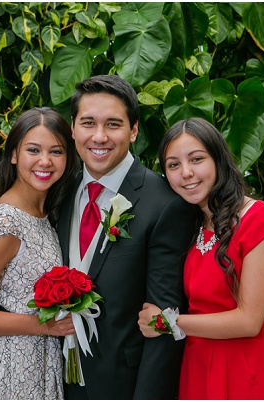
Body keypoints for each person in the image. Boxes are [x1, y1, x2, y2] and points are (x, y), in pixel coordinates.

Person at [55, 75, 196, 399]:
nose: (99, 136)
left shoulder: (164, 204)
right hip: (54, 381)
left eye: (113, 124)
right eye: (88, 123)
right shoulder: (58, 191)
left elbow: (163, 322)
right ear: (73, 129)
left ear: (133, 130)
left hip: (122, 384)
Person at [136, 117, 264, 399]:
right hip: (196, 370)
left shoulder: (259, 220)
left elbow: (249, 321)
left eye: (196, 159)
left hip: (244, 374)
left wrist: (168, 322)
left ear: (218, 159)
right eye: (173, 165)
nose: (186, 173)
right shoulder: (193, 222)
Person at [0, 107, 80, 399]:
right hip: (7, 367)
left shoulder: (44, 212)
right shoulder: (6, 220)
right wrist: (45, 325)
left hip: (41, 362)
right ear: (13, 154)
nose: (45, 161)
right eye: (33, 149)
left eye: (56, 151)